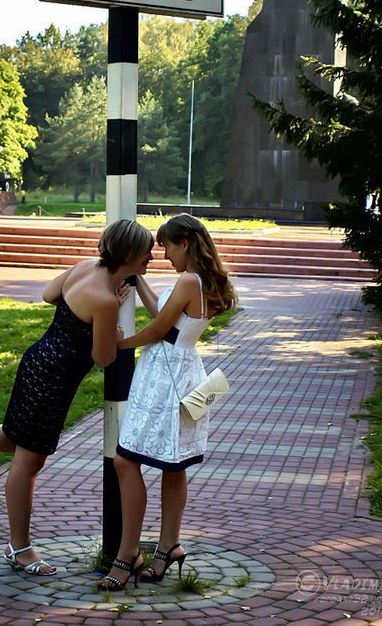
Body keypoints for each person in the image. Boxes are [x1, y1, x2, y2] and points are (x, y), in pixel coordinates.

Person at [0, 218, 154, 576]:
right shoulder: (106, 299)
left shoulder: (85, 267)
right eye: (147, 252)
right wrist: (116, 323)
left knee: (17, 438)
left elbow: (49, 294)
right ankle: (20, 548)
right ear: (132, 254)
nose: (151, 257)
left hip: (36, 362)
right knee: (28, 464)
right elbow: (103, 357)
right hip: (54, 381)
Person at [98, 213, 237, 591]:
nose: (163, 255)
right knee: (174, 467)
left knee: (127, 459)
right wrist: (137, 277)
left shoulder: (189, 280)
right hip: (187, 373)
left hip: (166, 378)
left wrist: (117, 345)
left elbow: (158, 329)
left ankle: (128, 554)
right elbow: (164, 315)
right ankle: (167, 547)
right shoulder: (201, 281)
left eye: (167, 246)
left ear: (186, 243)